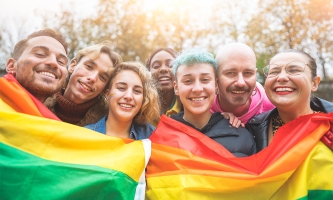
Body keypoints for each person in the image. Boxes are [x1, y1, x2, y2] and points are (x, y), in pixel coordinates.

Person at [170, 49, 256, 157]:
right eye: (188, 81)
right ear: (176, 88)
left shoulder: (242, 137)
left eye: (205, 80)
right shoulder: (161, 137)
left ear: (216, 85)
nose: (197, 89)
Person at [246, 49, 333, 152]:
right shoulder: (252, 130)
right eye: (274, 72)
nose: (281, 77)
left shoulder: (329, 126)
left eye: (294, 70)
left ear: (314, 83)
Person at [45, 41, 122, 126]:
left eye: (102, 77)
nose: (92, 78)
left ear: (104, 89)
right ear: (73, 66)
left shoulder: (108, 124)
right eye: (89, 67)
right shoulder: (38, 98)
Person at [85, 62, 160, 140]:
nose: (128, 96)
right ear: (108, 94)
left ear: (143, 98)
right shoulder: (84, 136)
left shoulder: (153, 137)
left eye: (137, 91)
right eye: (121, 88)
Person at [211, 43, 275, 124]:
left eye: (248, 73)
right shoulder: (204, 108)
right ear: (216, 76)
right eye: (231, 73)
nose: (241, 83)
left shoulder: (272, 107)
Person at [5, 28, 68, 103]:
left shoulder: (47, 114)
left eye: (61, 61)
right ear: (11, 65)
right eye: (40, 54)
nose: (54, 63)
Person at [146, 47, 182, 117]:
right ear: (148, 72)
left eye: (170, 65)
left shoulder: (188, 108)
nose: (163, 69)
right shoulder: (141, 111)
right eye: (156, 66)